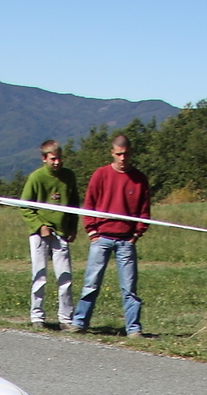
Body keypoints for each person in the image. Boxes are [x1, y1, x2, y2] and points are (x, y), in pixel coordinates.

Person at [70, 134, 151, 337]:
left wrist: (136, 234)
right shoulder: (101, 175)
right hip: (102, 238)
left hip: (126, 240)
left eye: (126, 154)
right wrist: (92, 230)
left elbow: (144, 210)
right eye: (119, 154)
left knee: (129, 287)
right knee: (91, 283)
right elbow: (89, 204)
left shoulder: (140, 179)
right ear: (112, 153)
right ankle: (80, 322)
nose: (123, 158)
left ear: (131, 153)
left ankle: (133, 328)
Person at [19, 141, 79, 328]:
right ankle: (37, 316)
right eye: (53, 159)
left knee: (65, 276)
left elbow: (74, 204)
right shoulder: (36, 178)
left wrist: (72, 226)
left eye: (59, 158)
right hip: (40, 233)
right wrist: (39, 226)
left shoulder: (69, 176)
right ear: (44, 158)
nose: (57, 162)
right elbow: (25, 206)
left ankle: (66, 318)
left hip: (61, 231)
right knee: (40, 275)